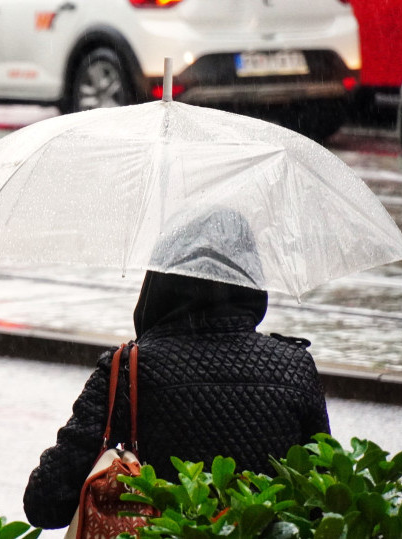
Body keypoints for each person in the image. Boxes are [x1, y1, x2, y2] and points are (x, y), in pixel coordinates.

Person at [22, 208, 331, 531]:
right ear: (250, 277)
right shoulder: (295, 367)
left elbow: (46, 503)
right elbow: (323, 498)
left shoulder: (129, 370)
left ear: (161, 277)